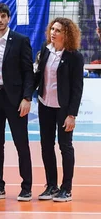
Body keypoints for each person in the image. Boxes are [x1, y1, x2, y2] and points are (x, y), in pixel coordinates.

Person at [0, 3, 34, 201]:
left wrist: (27, 98)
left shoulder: (20, 40)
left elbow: (29, 72)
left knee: (22, 143)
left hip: (15, 99)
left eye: (3, 16)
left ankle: (26, 186)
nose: (0, 20)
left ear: (9, 18)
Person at [34, 18, 84, 202]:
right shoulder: (46, 50)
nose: (53, 33)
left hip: (63, 108)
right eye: (52, 29)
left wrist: (72, 115)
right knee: (46, 146)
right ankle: (51, 185)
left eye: (58, 30)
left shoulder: (74, 56)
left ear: (67, 34)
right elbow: (38, 76)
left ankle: (66, 188)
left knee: (65, 146)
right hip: (45, 105)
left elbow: (77, 88)